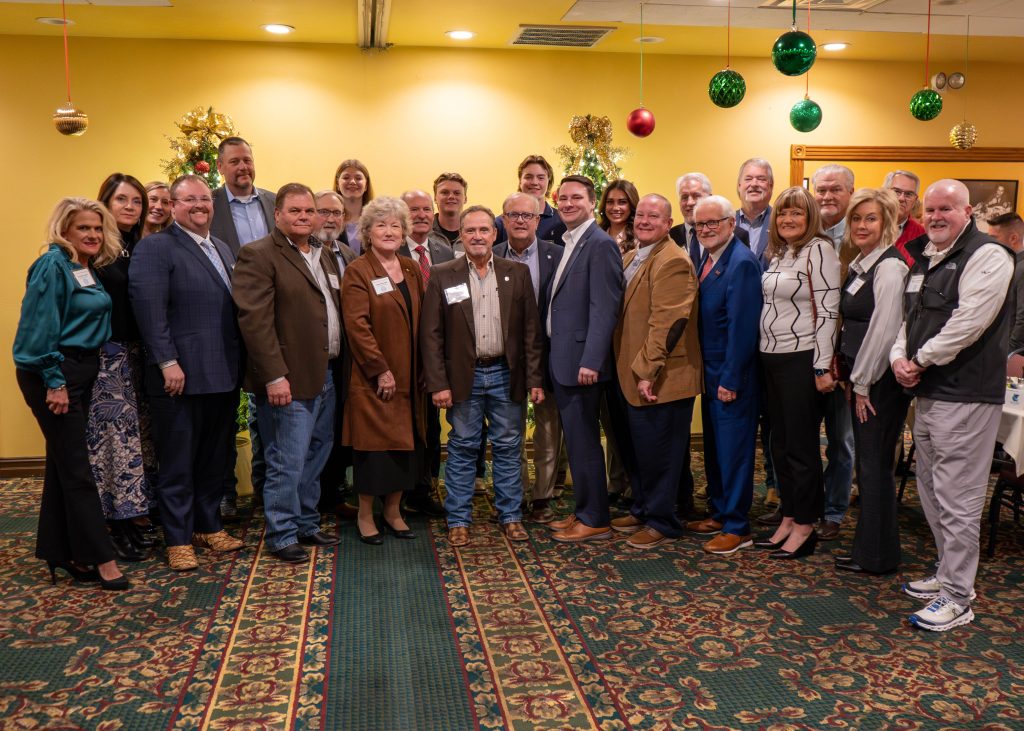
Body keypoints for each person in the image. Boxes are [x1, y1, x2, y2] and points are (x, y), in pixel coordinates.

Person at [892, 179, 1014, 631]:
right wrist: (899, 357)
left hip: (966, 394)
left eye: (947, 208)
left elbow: (969, 323)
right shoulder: (926, 255)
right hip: (927, 391)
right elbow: (910, 319)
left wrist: (918, 360)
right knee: (931, 487)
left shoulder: (988, 256)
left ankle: (959, 597)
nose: (938, 216)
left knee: (959, 499)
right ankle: (949, 574)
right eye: (931, 209)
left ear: (968, 211)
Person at [130, 175, 245, 571]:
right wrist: (166, 361)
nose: (199, 205)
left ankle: (208, 525)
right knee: (178, 461)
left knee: (214, 457)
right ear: (174, 206)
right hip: (178, 376)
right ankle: (178, 537)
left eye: (204, 199)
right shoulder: (156, 248)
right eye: (189, 199)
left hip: (223, 374)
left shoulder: (223, 248)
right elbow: (150, 310)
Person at [13, 197, 128, 590]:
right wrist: (54, 380)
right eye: (84, 228)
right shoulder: (53, 264)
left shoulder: (84, 267)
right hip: (54, 372)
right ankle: (102, 558)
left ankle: (60, 552)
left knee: (63, 464)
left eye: (97, 228)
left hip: (80, 370)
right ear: (64, 230)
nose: (93, 234)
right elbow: (39, 326)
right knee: (78, 470)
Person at [421, 205, 544, 547]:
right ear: (461, 235)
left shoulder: (515, 273)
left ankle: (510, 516)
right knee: (462, 449)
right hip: (464, 376)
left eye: (484, 230)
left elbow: (531, 332)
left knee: (508, 446)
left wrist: (535, 379)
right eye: (470, 230)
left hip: (506, 373)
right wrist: (439, 383)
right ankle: (458, 518)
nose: (477, 236)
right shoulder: (443, 274)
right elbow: (431, 335)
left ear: (495, 234)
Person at [232, 183, 342, 564]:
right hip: (287, 379)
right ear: (277, 214)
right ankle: (281, 533)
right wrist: (273, 376)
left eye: (309, 211)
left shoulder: (323, 253)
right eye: (294, 211)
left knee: (315, 455)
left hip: (324, 372)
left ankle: (307, 524)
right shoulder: (259, 254)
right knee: (286, 458)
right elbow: (255, 321)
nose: (303, 217)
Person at [606, 194, 701, 549]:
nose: (644, 220)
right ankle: (645, 507)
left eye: (653, 216)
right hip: (630, 369)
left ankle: (664, 520)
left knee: (660, 452)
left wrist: (648, 370)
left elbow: (668, 322)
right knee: (640, 448)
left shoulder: (672, 261)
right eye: (640, 214)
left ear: (668, 221)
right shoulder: (634, 256)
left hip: (659, 376)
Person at [757, 186, 840, 560]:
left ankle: (806, 525)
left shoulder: (820, 250)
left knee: (802, 448)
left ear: (810, 219)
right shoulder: (780, 253)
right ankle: (789, 517)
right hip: (771, 358)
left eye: (797, 214)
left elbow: (827, 311)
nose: (788, 220)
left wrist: (822, 365)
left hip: (802, 358)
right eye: (783, 214)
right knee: (780, 445)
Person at [833, 188, 910, 576]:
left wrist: (861, 383)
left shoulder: (891, 268)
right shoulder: (863, 264)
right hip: (862, 380)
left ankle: (877, 557)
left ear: (889, 223)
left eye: (871, 219)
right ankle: (870, 550)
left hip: (878, 384)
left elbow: (885, 331)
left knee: (875, 466)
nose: (862, 225)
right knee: (869, 466)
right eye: (857, 219)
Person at [341, 197, 425, 544]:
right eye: (381, 225)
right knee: (374, 451)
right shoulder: (359, 270)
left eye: (395, 225)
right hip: (375, 379)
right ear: (367, 232)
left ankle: (393, 511)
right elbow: (356, 325)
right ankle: (365, 515)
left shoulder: (409, 268)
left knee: (405, 450)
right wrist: (380, 370)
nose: (389, 231)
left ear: (404, 232)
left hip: (411, 378)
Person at [545, 175, 625, 543]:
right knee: (577, 442)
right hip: (564, 359)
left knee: (585, 442)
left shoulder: (600, 244)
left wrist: (592, 360)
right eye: (562, 198)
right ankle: (583, 510)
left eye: (577, 198)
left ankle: (594, 518)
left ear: (592, 203)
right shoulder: (569, 242)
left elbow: (605, 309)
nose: (568, 203)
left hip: (582, 364)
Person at [689, 195, 762, 555]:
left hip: (733, 375)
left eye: (712, 223)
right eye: (699, 225)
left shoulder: (742, 263)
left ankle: (737, 526)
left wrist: (731, 379)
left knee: (734, 451)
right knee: (717, 448)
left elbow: (742, 329)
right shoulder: (709, 257)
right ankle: (719, 512)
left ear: (731, 224)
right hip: (711, 371)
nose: (704, 230)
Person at [210, 136, 276, 521]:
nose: (243, 167)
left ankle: (268, 492)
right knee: (225, 411)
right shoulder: (208, 204)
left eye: (247, 160)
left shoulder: (271, 202)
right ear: (220, 167)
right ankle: (225, 495)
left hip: (270, 320)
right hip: (225, 320)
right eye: (234, 161)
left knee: (268, 410)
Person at [92, 173, 156, 562]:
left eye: (136, 201)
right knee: (113, 446)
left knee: (137, 442)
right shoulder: (97, 247)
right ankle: (111, 525)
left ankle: (132, 519)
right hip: (107, 357)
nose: (130, 207)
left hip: (137, 354)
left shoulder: (137, 245)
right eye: (122, 200)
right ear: (106, 203)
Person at [493, 193, 564, 523]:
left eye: (527, 215)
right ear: (503, 220)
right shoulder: (488, 256)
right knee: (510, 431)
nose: (520, 221)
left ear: (539, 220)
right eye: (513, 215)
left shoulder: (558, 256)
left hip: (549, 356)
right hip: (503, 358)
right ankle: (515, 494)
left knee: (548, 429)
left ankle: (542, 497)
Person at [398, 189, 454, 518]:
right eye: (412, 209)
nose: (420, 214)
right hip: (403, 354)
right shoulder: (388, 250)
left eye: (424, 209)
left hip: (437, 351)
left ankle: (426, 487)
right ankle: (399, 491)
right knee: (405, 424)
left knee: (432, 426)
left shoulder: (444, 250)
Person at [812, 164, 857, 542]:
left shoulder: (859, 239)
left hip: (841, 361)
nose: (827, 196)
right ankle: (804, 504)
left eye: (835, 189)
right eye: (821, 189)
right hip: (803, 358)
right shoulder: (805, 237)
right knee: (800, 438)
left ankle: (834, 510)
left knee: (840, 441)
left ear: (850, 193)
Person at [313, 190, 358, 520]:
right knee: (312, 435)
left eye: (337, 213)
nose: (331, 219)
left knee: (335, 430)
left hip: (344, 355)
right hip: (312, 357)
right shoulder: (306, 252)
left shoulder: (345, 251)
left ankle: (330, 494)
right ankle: (309, 503)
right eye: (324, 211)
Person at [494, 155, 566, 243]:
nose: (535, 182)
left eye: (541, 178)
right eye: (528, 177)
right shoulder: (501, 223)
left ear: (549, 181)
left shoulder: (562, 221)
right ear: (520, 181)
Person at [986, 212, 1024, 352]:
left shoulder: (1022, 269)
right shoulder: (1006, 264)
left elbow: (1022, 318)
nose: (989, 243)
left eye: (994, 238)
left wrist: (1009, 352)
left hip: (1010, 353)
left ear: (1013, 238)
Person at [735, 158, 775, 267]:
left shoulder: (781, 222)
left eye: (761, 179)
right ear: (739, 186)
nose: (754, 184)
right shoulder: (726, 222)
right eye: (748, 179)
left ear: (771, 186)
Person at [882, 170, 925, 264]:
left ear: (915, 200)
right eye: (896, 191)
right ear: (884, 193)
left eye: (908, 194)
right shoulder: (865, 226)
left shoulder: (922, 236)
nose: (901, 198)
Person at [333, 159, 373, 254]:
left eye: (358, 178)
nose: (352, 182)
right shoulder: (328, 219)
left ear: (366, 185)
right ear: (338, 184)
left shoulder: (376, 219)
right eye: (346, 177)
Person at [598, 179, 639, 255]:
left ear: (632, 205)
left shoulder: (639, 238)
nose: (615, 208)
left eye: (622, 202)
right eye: (610, 202)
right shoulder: (596, 234)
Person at [432, 172, 468, 249]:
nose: (451, 196)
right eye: (445, 192)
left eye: (457, 193)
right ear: (435, 198)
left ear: (465, 199)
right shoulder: (424, 232)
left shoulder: (475, 233)